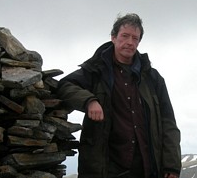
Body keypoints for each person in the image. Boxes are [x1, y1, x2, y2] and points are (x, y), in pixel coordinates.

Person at [57, 13, 181, 178]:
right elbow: (65, 85)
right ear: (113, 38)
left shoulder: (152, 78)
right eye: (125, 36)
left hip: (146, 167)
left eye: (135, 38)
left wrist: (172, 166)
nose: (130, 42)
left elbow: (168, 122)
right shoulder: (96, 70)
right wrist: (89, 101)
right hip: (106, 168)